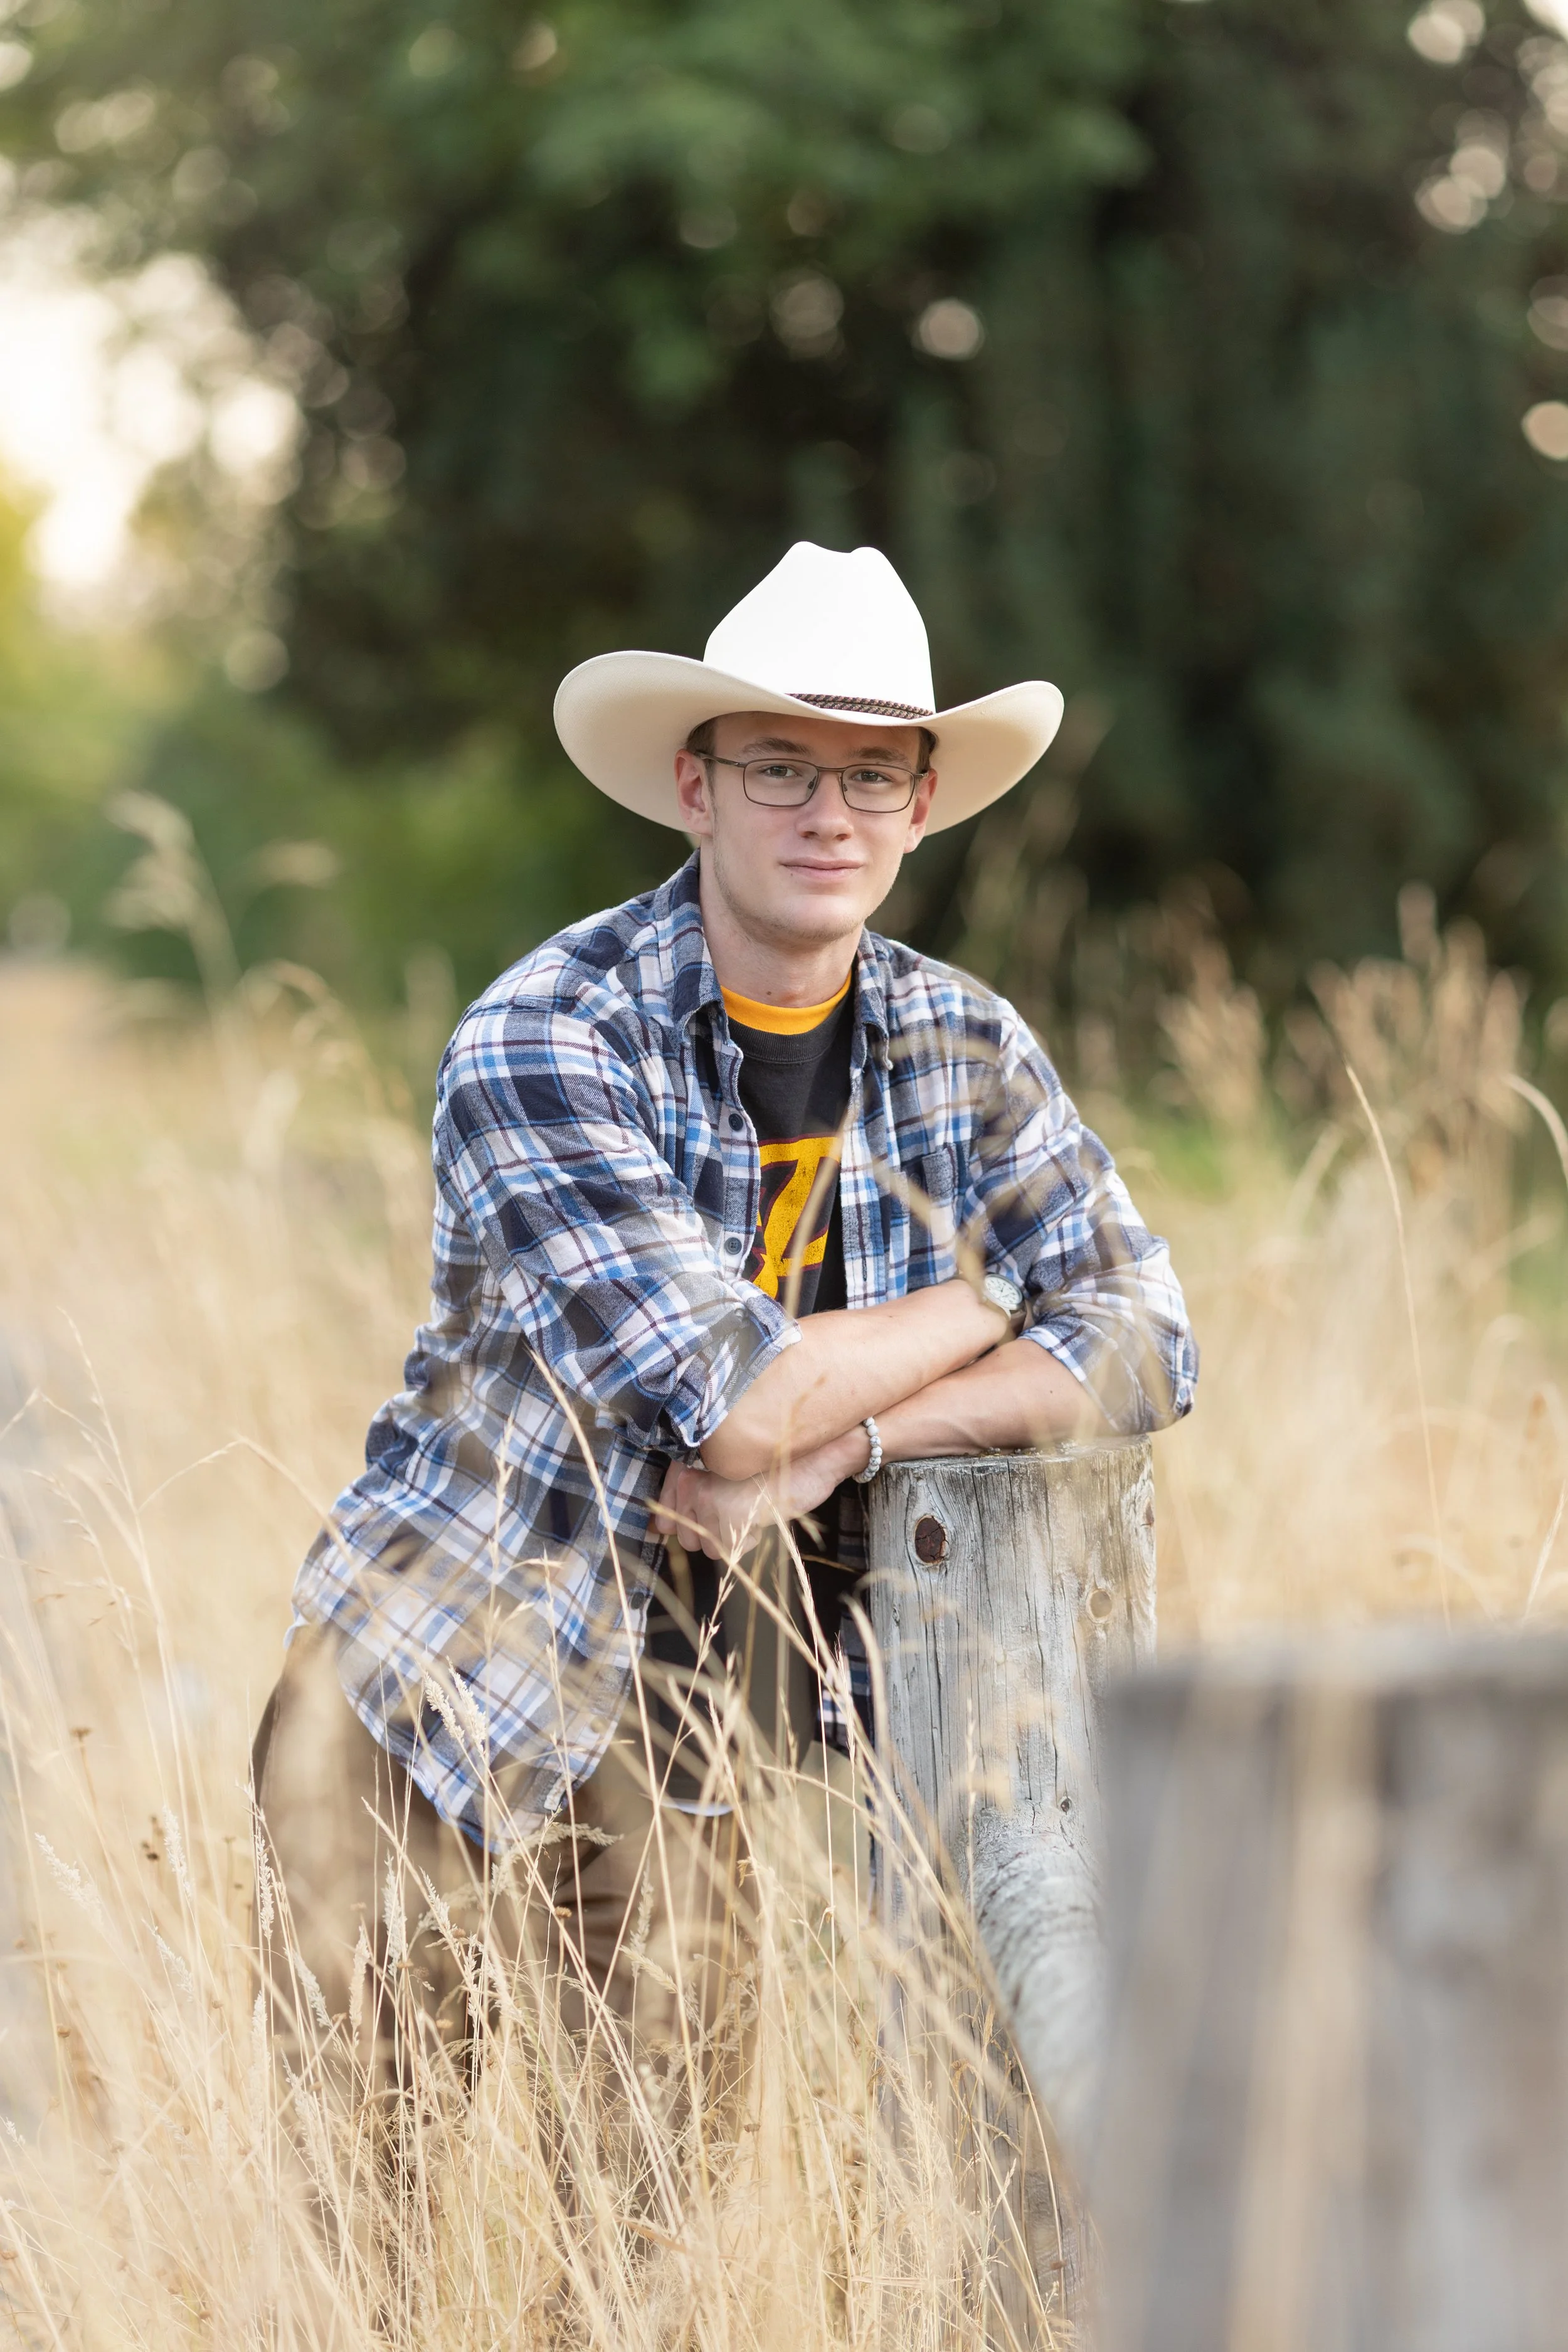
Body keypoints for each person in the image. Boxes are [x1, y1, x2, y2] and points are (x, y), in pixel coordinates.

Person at [252, 541, 1197, 2144]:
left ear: (918, 806)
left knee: (644, 2262)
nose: (825, 812)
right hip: (430, 1713)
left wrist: (861, 1437)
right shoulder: (546, 1034)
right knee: (385, 2266)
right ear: (694, 786)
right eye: (779, 766)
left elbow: (1146, 1338)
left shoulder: (960, 1043)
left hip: (692, 1758)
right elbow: (736, 1407)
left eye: (869, 772)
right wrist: (985, 1297)